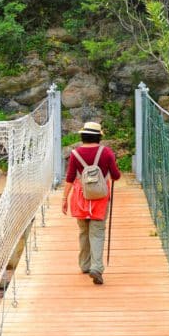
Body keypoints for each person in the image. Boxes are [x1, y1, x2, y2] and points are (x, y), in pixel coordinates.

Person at [61, 122, 122, 285]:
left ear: (83, 136)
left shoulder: (75, 153)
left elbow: (70, 177)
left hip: (80, 198)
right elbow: (116, 176)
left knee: (83, 231)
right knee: (97, 232)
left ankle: (84, 264)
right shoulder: (107, 152)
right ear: (99, 136)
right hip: (100, 199)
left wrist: (64, 199)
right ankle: (96, 267)